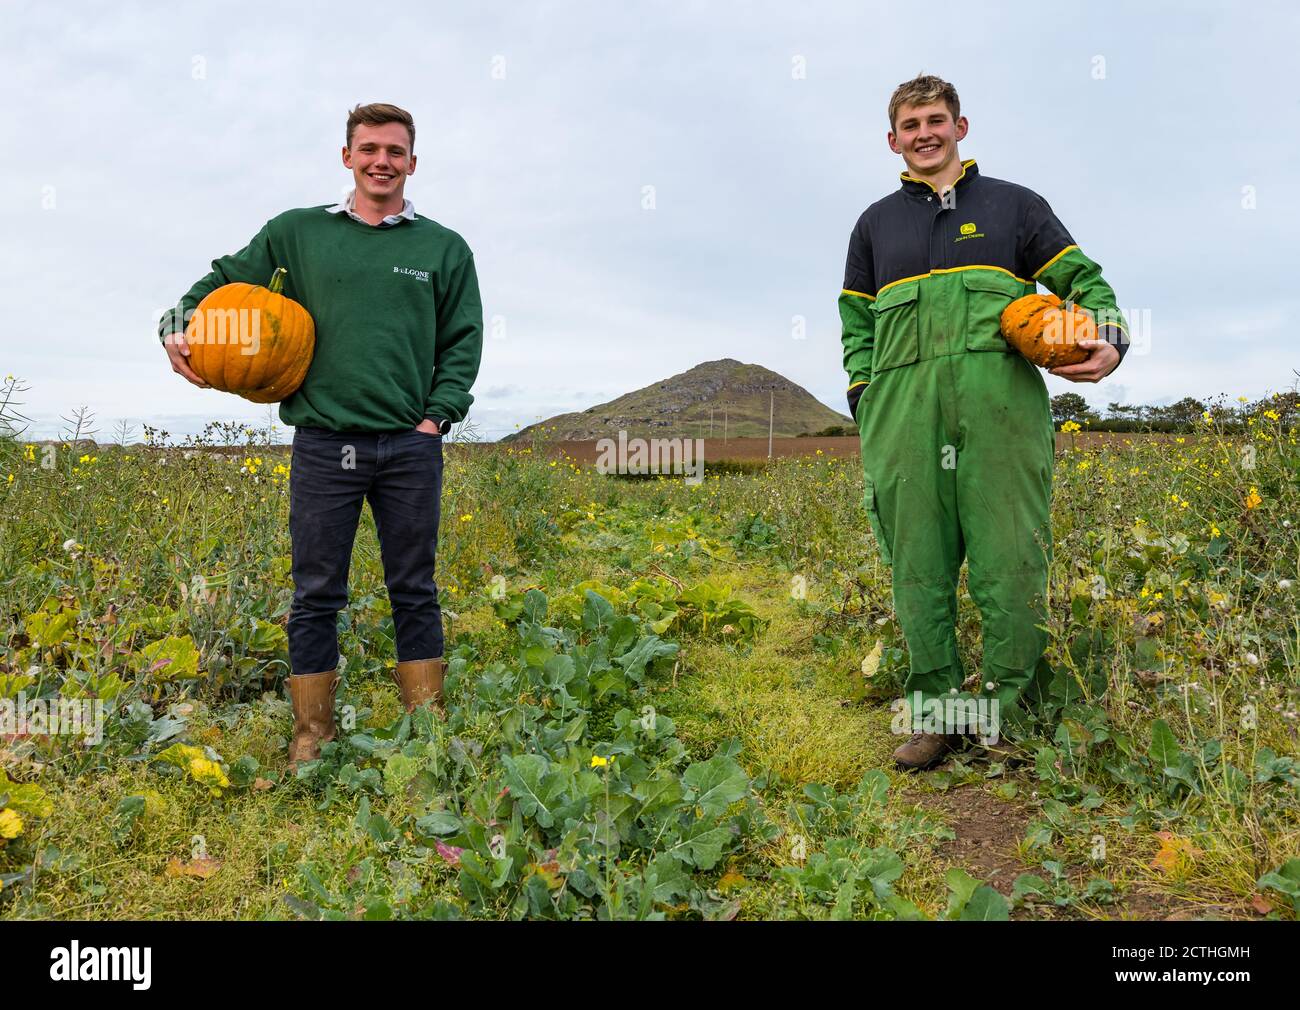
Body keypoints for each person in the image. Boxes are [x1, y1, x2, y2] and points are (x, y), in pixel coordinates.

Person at [159, 103, 483, 772]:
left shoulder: (443, 249)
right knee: (316, 593)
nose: (381, 161)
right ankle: (313, 736)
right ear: (347, 158)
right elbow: (218, 281)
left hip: (408, 446)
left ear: (412, 163)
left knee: (414, 586)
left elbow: (462, 341)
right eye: (369, 149)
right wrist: (175, 323)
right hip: (323, 444)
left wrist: (436, 419)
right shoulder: (297, 234)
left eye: (395, 151)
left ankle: (428, 730)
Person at [838, 75, 1130, 770]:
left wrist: (1111, 339)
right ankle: (938, 717)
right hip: (904, 414)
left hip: (1001, 411)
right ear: (893, 140)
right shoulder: (875, 225)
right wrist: (865, 397)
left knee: (1011, 562)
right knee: (919, 568)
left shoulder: (1015, 208)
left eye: (936, 120)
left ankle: (1004, 715)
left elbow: (1085, 283)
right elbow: (855, 323)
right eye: (911, 125)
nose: (924, 134)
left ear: (960, 128)